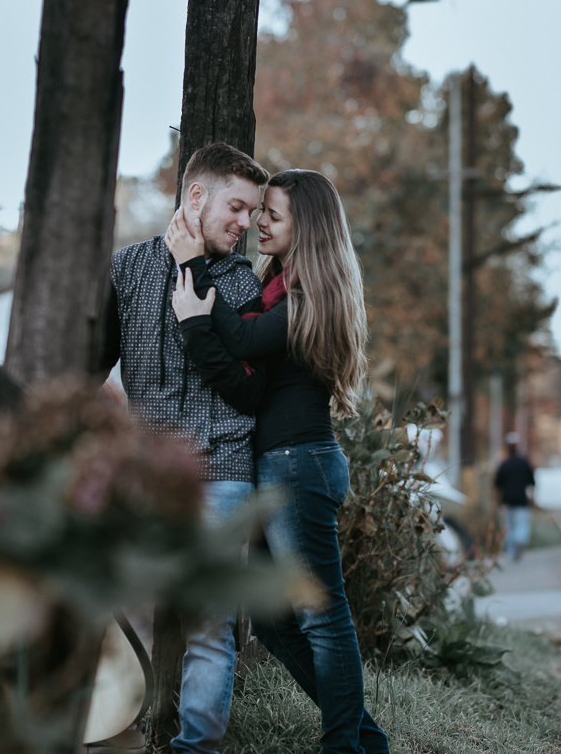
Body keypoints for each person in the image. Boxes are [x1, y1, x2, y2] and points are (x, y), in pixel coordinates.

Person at [168, 169, 388, 754]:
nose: (259, 223)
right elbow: (240, 343)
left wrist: (191, 270)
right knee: (269, 617)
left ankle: (344, 746)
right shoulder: (277, 287)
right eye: (259, 210)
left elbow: (240, 342)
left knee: (321, 615)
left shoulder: (309, 296)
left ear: (305, 228)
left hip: (300, 466)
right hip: (283, 465)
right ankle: (364, 737)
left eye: (273, 214)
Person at [98, 142, 269, 754]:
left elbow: (246, 382)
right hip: (148, 478)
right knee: (132, 612)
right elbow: (95, 363)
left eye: (251, 212)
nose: (245, 223)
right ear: (196, 196)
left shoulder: (239, 280)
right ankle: (124, 734)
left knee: (208, 625)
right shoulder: (126, 269)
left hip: (221, 471)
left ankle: (195, 749)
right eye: (237, 207)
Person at [493, 432, 535, 562]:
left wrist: (495, 503)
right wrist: (532, 499)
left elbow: (497, 486)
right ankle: (519, 543)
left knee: (508, 527)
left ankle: (511, 552)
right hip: (522, 501)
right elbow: (532, 484)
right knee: (521, 525)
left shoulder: (503, 464)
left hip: (506, 502)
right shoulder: (524, 463)